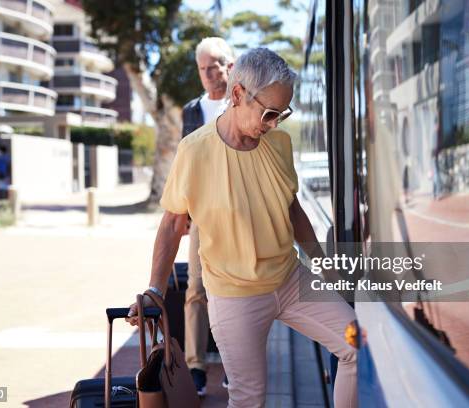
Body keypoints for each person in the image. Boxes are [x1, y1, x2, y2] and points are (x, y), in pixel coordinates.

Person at [127, 48, 357, 408]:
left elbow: (292, 209)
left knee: (356, 345)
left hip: (291, 279)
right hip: (235, 294)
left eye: (282, 114)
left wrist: (323, 264)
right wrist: (155, 287)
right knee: (249, 398)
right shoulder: (195, 151)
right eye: (268, 113)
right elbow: (173, 223)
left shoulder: (279, 143)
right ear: (238, 96)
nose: (274, 124)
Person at [181, 37, 235, 396]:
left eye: (215, 64)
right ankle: (195, 368)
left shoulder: (243, 102)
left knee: (236, 289)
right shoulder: (192, 110)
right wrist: (184, 210)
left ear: (230, 65)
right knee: (196, 289)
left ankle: (235, 364)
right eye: (203, 67)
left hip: (240, 210)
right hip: (202, 210)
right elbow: (185, 162)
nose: (210, 72)